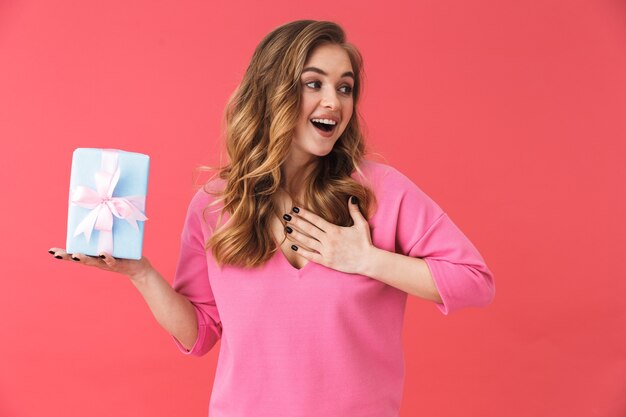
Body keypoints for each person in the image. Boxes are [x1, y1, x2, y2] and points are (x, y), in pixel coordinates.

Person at [50, 20, 495, 417]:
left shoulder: (381, 192)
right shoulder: (215, 206)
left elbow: (474, 281)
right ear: (272, 92)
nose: (334, 103)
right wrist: (140, 273)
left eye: (344, 87)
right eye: (313, 84)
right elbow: (201, 334)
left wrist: (366, 259)